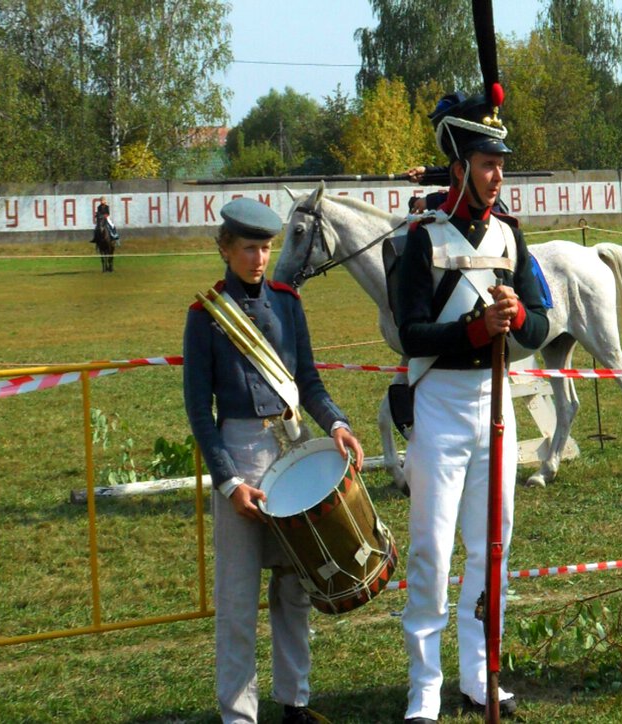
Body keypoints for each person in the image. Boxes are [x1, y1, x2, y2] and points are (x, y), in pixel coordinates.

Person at [393, 91, 550, 723]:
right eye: (487, 163)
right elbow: (410, 333)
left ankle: (481, 672)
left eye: (501, 164)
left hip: (497, 406)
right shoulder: (421, 239)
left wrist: (515, 321)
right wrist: (473, 333)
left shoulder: (511, 236)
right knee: (431, 547)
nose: (498, 174)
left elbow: (539, 324)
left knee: (493, 546)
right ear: (458, 167)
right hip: (439, 405)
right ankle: (424, 687)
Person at [183, 197, 364, 724]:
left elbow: (307, 381)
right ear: (225, 248)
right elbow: (199, 409)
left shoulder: (287, 302)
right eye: (248, 248)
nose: (259, 258)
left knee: (296, 587)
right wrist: (228, 480)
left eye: (266, 247)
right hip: (241, 453)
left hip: (292, 449)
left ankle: (295, 703)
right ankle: (239, 715)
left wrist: (336, 423)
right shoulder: (206, 316)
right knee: (238, 600)